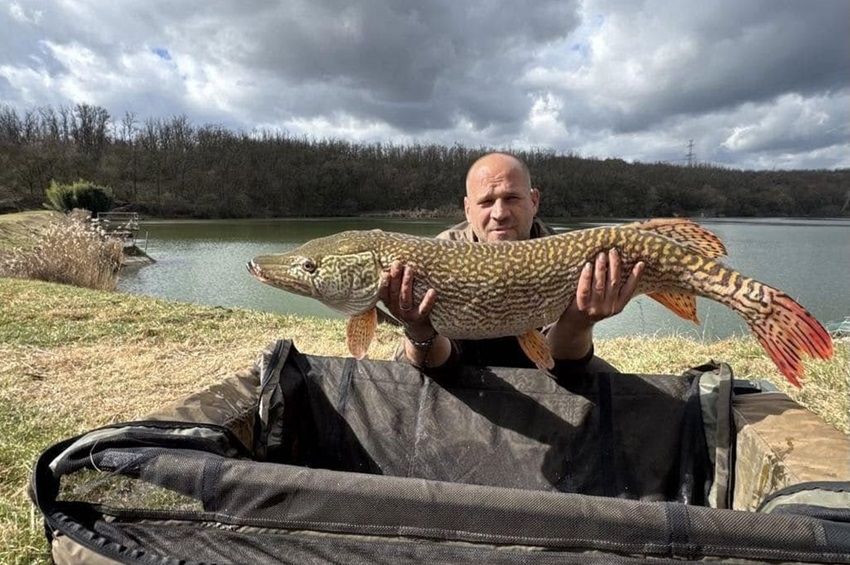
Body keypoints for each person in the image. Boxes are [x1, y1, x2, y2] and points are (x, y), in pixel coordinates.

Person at [379, 152, 644, 374]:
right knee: (406, 374)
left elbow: (560, 365)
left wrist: (579, 322)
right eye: (486, 202)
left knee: (604, 384)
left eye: (511, 198)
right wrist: (418, 328)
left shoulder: (564, 253)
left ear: (534, 201)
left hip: (548, 359)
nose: (499, 214)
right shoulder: (440, 250)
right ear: (467, 209)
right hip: (457, 357)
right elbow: (441, 365)